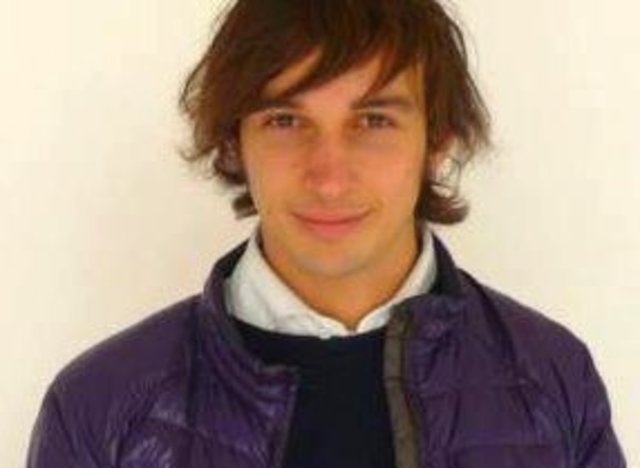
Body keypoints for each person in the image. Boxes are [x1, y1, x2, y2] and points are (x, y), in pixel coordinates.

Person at [26, 0, 627, 467]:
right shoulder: (99, 408)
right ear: (235, 142)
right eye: (286, 120)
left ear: (437, 141)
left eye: (374, 120)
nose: (330, 178)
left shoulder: (555, 379)